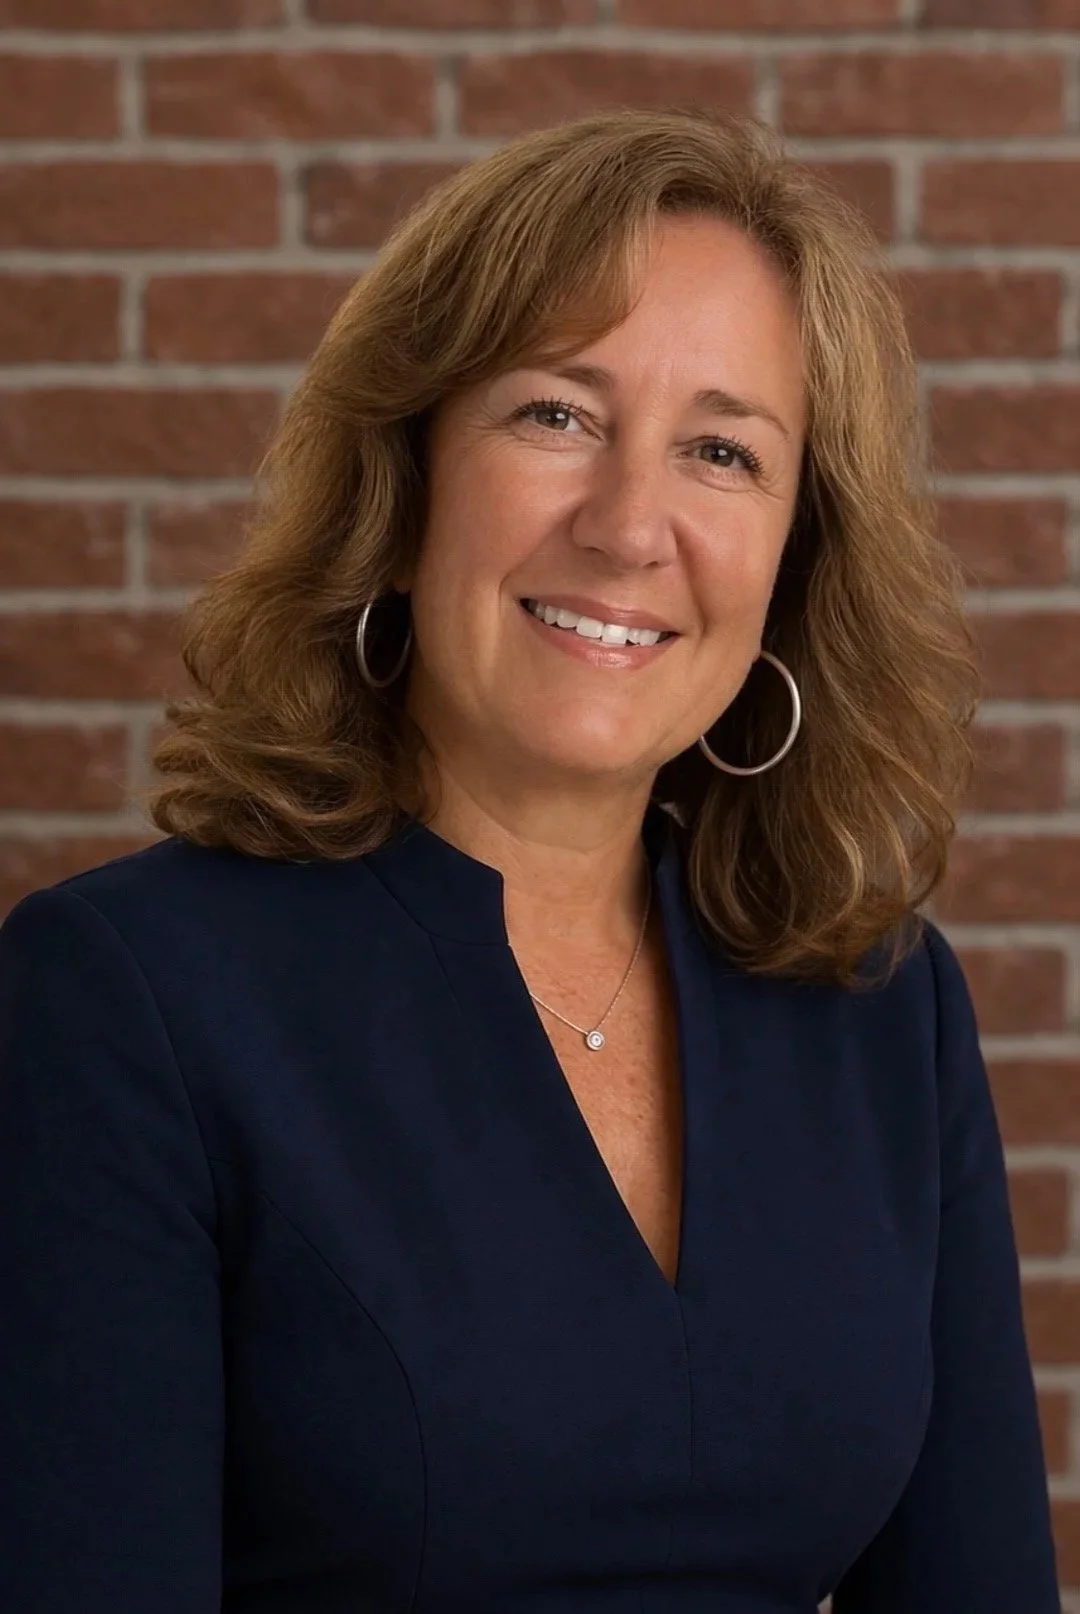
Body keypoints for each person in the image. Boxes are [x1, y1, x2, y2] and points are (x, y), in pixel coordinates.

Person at [0, 106, 1059, 1613]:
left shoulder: (882, 1009)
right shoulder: (133, 1000)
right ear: (409, 467)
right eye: (555, 414)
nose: (633, 526)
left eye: (720, 449)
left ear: (793, 548)